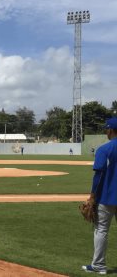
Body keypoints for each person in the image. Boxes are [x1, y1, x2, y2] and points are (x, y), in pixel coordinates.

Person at [82, 117, 117, 275]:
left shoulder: (104, 149)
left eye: (106, 129)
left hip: (106, 197)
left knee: (101, 230)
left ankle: (99, 266)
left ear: (110, 130)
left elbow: (98, 176)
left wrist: (92, 196)